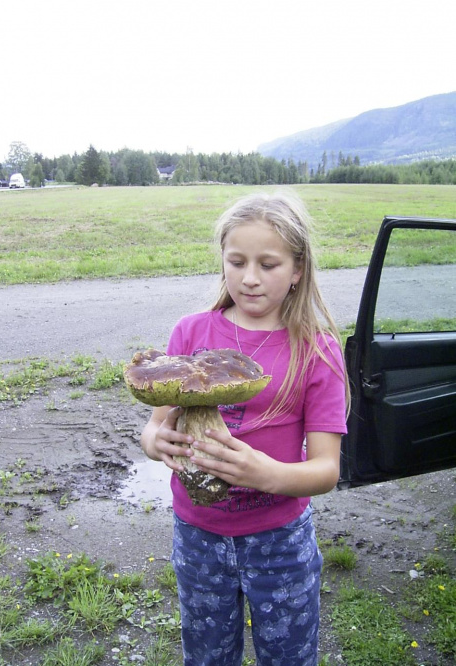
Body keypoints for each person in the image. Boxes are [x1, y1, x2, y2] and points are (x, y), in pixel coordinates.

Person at [140, 192, 349, 666]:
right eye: (236, 261)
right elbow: (153, 430)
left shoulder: (316, 350)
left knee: (289, 656)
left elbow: (326, 470)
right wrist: (156, 442)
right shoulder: (191, 333)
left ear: (298, 269)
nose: (249, 278)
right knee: (208, 655)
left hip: (280, 541)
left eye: (268, 264)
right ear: (223, 262)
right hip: (197, 534)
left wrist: (264, 472)